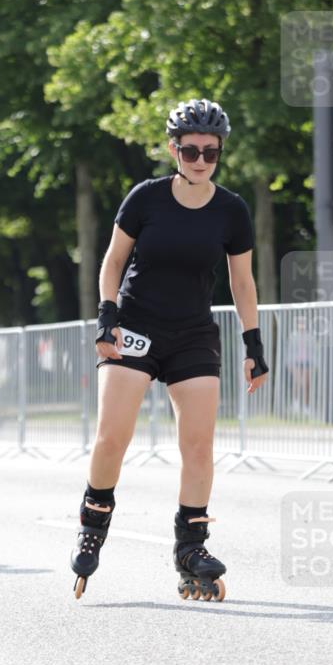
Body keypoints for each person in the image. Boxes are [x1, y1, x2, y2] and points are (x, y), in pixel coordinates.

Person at [70, 98, 269, 601]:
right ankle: (94, 521)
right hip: (135, 326)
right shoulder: (146, 199)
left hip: (192, 334)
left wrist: (254, 343)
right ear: (172, 149)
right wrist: (107, 317)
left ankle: (190, 548)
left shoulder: (232, 210)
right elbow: (112, 261)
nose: (200, 160)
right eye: (190, 150)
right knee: (113, 437)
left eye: (211, 152)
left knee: (199, 445)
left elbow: (242, 283)